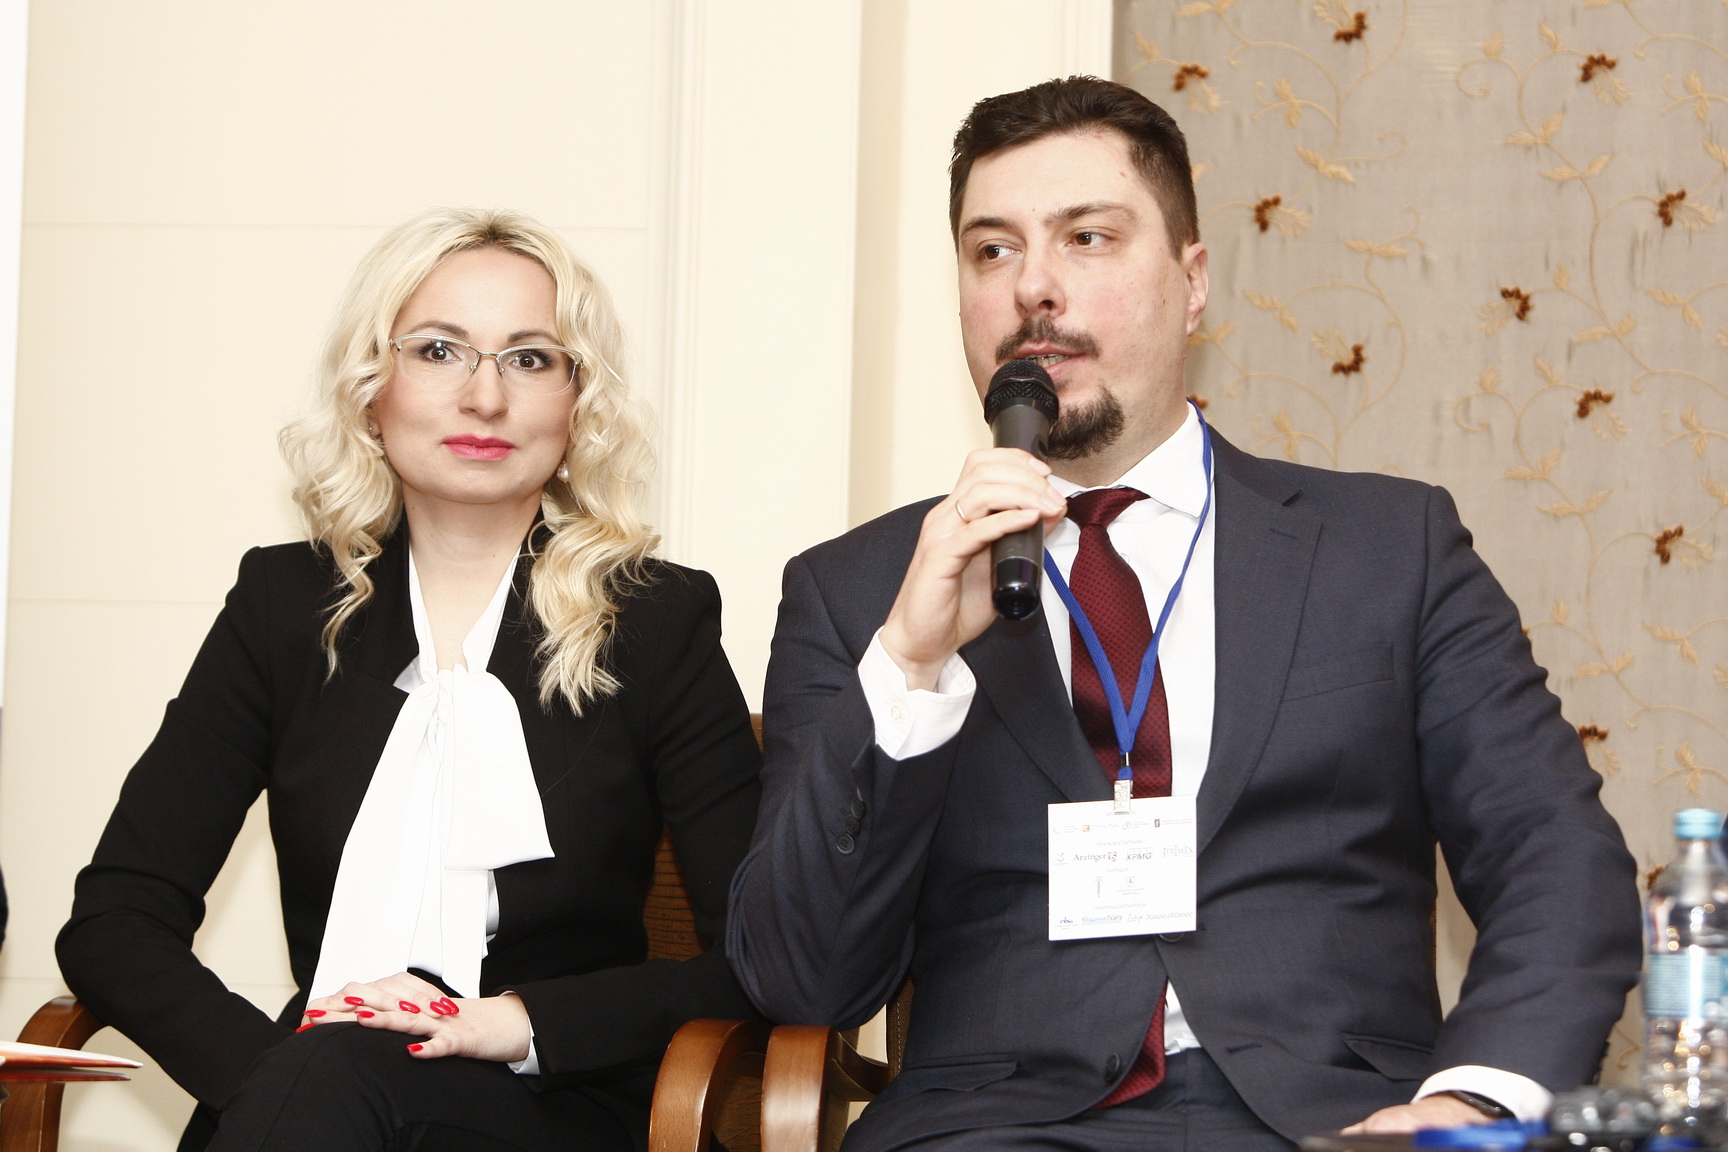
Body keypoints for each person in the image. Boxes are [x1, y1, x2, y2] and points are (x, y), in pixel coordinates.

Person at [727, 77, 1642, 1150]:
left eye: (1088, 238)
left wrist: (1471, 1105)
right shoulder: (858, 591)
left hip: (1340, 1120)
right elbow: (801, 976)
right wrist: (911, 664)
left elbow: (1555, 859)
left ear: (1193, 283)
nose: (1033, 287)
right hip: (999, 1129)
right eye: (992, 250)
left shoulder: (1390, 550)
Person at [57, 208, 762, 1152]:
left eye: (530, 358)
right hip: (311, 1097)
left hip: (554, 1107)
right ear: (370, 387)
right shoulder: (282, 606)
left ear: (578, 400)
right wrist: (278, 1070)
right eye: (438, 351)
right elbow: (114, 921)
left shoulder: (656, 621)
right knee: (337, 1076)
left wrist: (516, 1023)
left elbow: (762, 955)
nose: (484, 397)